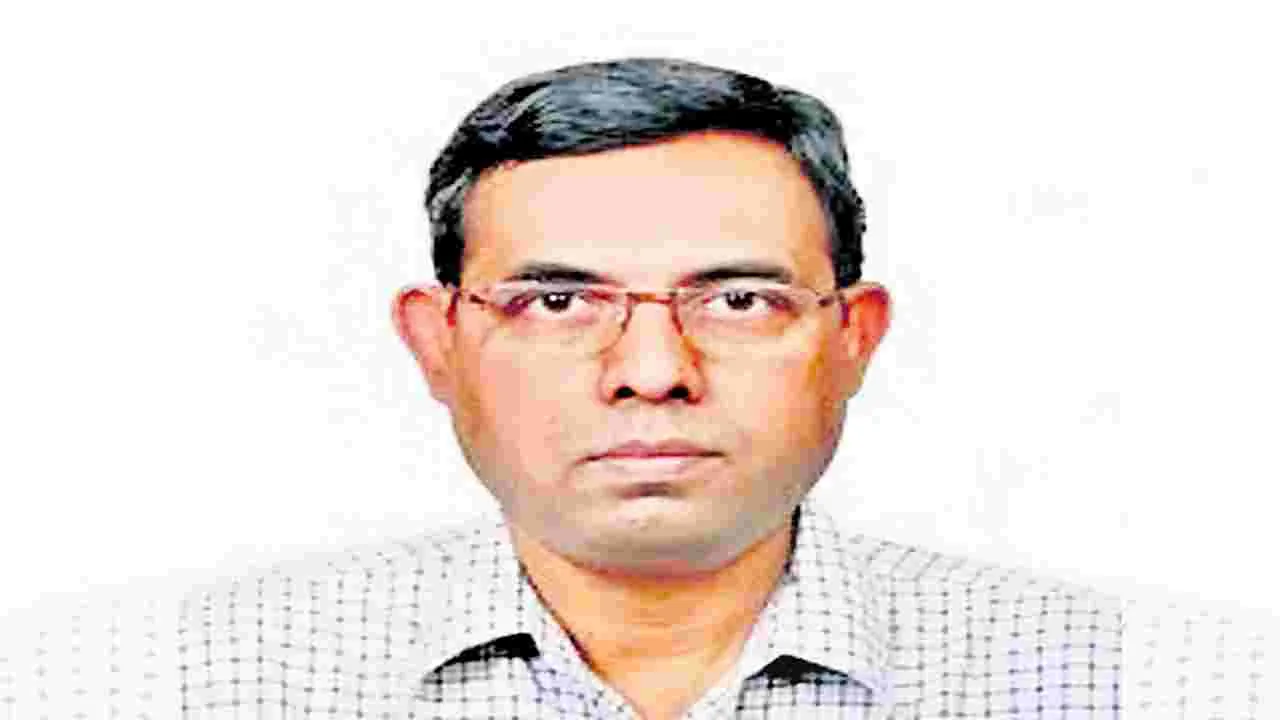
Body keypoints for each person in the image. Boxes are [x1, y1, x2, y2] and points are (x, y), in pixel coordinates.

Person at [178, 57, 1121, 719]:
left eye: (739, 300)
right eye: (557, 302)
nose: (653, 372)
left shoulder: (1121, 675)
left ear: (853, 336)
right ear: (437, 342)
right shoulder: (198, 679)